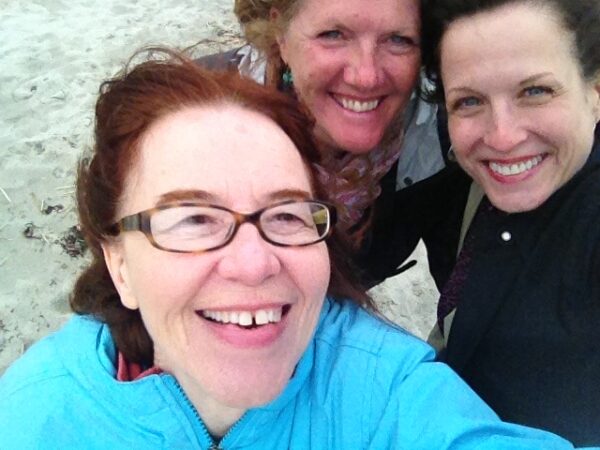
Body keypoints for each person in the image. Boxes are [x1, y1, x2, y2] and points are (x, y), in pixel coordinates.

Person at [0, 51, 584, 449]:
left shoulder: (386, 394)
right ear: (118, 263)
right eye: (194, 219)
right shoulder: (34, 417)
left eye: (284, 215)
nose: (255, 263)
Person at [381, 0, 600, 445]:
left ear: (595, 91)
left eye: (535, 91)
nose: (502, 137)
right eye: (470, 101)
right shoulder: (464, 184)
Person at [200, 0, 449, 284]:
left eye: (398, 39)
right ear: (280, 35)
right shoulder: (186, 119)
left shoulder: (440, 145)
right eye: (333, 35)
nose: (366, 77)